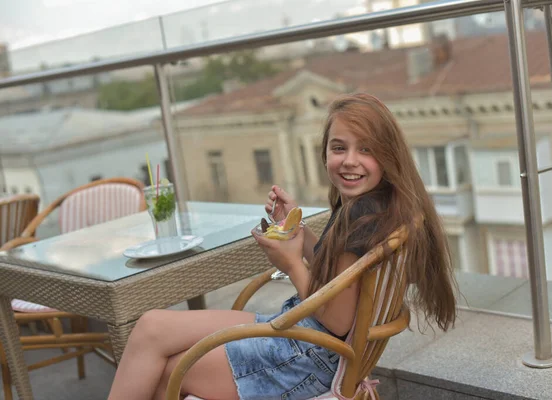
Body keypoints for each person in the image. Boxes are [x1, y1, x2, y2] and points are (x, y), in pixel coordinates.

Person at [107, 92, 456, 400]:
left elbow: (335, 321)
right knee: (152, 326)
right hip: (303, 335)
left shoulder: (364, 217)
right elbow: (341, 280)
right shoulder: (380, 204)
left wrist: (291, 264)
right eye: (339, 147)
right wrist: (298, 232)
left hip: (308, 357)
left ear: (388, 155)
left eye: (366, 149)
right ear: (324, 154)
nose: (350, 160)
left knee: (168, 371)